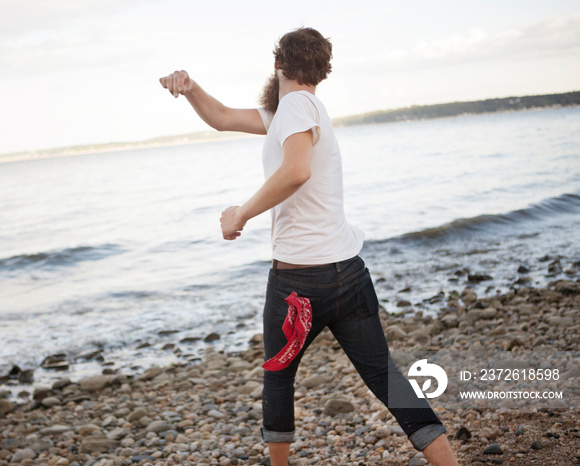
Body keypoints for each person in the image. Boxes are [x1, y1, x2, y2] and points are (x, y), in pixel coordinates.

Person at [160, 27, 458, 466]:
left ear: (278, 63)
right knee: (387, 379)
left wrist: (241, 213)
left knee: (278, 378)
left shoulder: (296, 106)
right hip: (348, 275)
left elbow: (296, 170)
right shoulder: (295, 111)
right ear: (321, 72)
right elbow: (222, 116)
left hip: (299, 282)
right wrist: (191, 88)